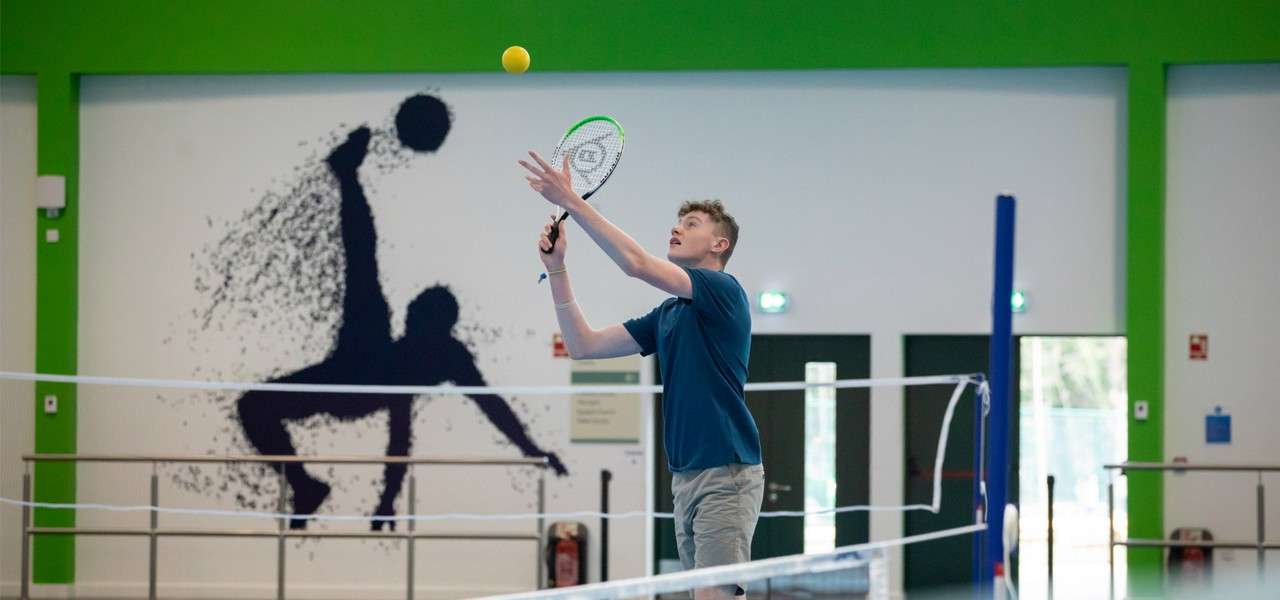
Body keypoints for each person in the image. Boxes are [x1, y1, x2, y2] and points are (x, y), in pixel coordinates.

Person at [235, 127, 567, 531]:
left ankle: (347, 175)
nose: (409, 320)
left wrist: (532, 449)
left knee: (363, 277)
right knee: (361, 278)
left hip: (359, 371)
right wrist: (531, 449)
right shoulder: (430, 358)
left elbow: (475, 411)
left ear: (431, 324)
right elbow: (442, 419)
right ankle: (305, 486)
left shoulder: (441, 356)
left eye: (415, 317)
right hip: (353, 370)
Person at [520, 152, 763, 598]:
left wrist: (571, 200)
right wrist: (556, 270)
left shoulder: (724, 292)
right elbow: (583, 345)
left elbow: (635, 263)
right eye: (678, 221)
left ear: (719, 244)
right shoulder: (668, 314)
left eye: (691, 223)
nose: (677, 228)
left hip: (725, 473)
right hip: (685, 476)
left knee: (713, 596)